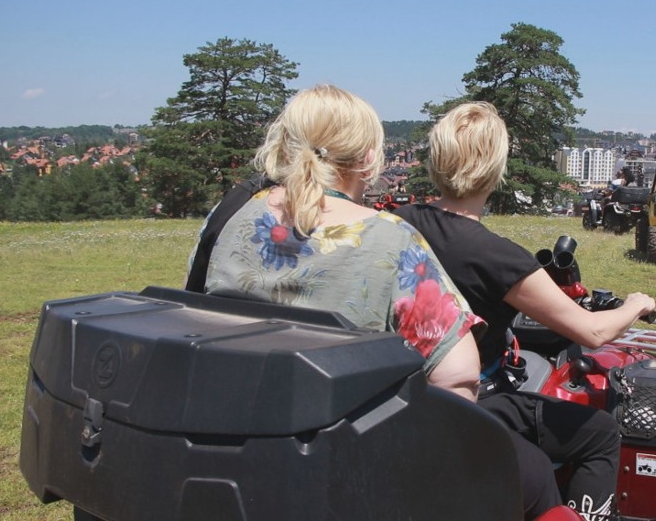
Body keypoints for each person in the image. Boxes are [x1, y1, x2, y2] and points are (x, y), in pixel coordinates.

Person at [395, 102, 656, 521]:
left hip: (401, 395)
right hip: (470, 401)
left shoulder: (397, 223)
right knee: (602, 434)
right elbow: (592, 332)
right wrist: (634, 305)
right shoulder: (496, 257)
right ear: (495, 169)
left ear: (436, 159)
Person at [186, 85, 482, 402]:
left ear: (285, 144)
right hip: (337, 442)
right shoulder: (391, 239)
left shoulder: (228, 214)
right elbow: (457, 376)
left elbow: (191, 314)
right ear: (368, 159)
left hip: (219, 420)